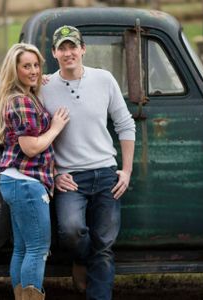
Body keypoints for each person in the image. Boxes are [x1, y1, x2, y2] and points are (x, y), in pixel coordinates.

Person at [40, 25, 136, 300]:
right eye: (62, 48)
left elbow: (125, 124)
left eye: (73, 46)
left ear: (83, 49)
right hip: (70, 178)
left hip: (107, 174)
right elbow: (38, 137)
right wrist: (55, 173)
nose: (68, 52)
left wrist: (126, 171)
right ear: (54, 53)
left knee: (105, 245)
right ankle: (81, 258)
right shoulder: (44, 88)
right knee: (70, 231)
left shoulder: (104, 79)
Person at [0, 43, 69, 300]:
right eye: (26, 66)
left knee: (23, 249)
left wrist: (39, 80)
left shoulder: (21, 96)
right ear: (15, 70)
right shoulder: (21, 101)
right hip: (27, 183)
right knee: (37, 249)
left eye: (36, 65)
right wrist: (55, 127)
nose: (33, 71)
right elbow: (31, 147)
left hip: (16, 181)